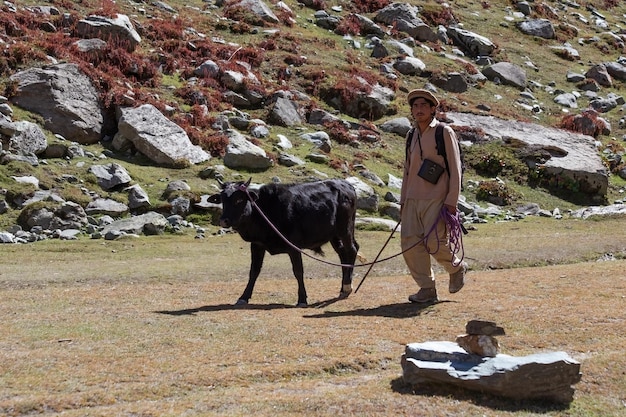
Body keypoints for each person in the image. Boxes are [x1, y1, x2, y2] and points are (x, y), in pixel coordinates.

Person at [400, 89, 467, 303]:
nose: (418, 110)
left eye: (423, 105)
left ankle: (456, 268)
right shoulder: (411, 135)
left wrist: (452, 200)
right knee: (410, 244)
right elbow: (407, 170)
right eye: (415, 106)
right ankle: (427, 289)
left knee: (434, 242)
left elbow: (456, 168)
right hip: (412, 198)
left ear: (432, 109)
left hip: (437, 197)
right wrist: (402, 201)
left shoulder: (443, 132)